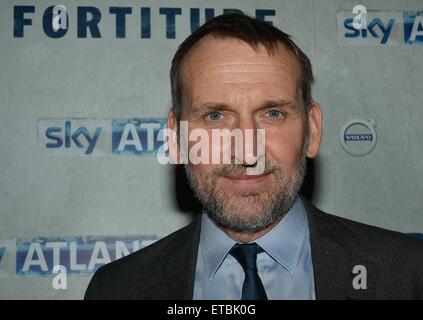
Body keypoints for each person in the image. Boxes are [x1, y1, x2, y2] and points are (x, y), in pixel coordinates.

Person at [85, 13, 423, 300]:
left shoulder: (407, 276)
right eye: (215, 116)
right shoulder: (118, 290)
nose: (247, 151)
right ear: (176, 136)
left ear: (312, 130)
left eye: (273, 114)